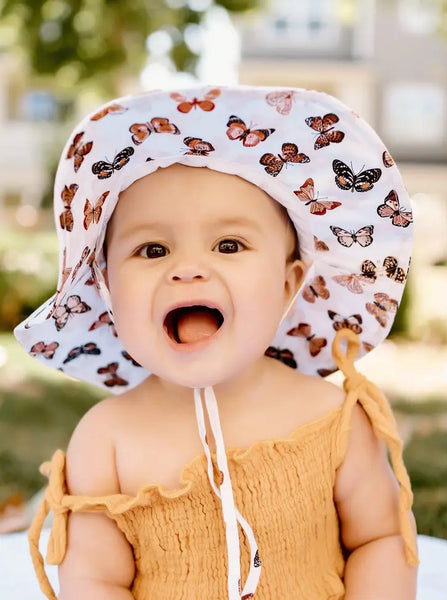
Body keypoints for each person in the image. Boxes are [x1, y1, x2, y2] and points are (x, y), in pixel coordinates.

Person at [15, 85, 419, 600]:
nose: (186, 269)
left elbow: (380, 539)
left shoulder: (334, 417)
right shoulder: (105, 440)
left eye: (229, 245)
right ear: (109, 291)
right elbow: (95, 580)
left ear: (288, 285)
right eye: (152, 248)